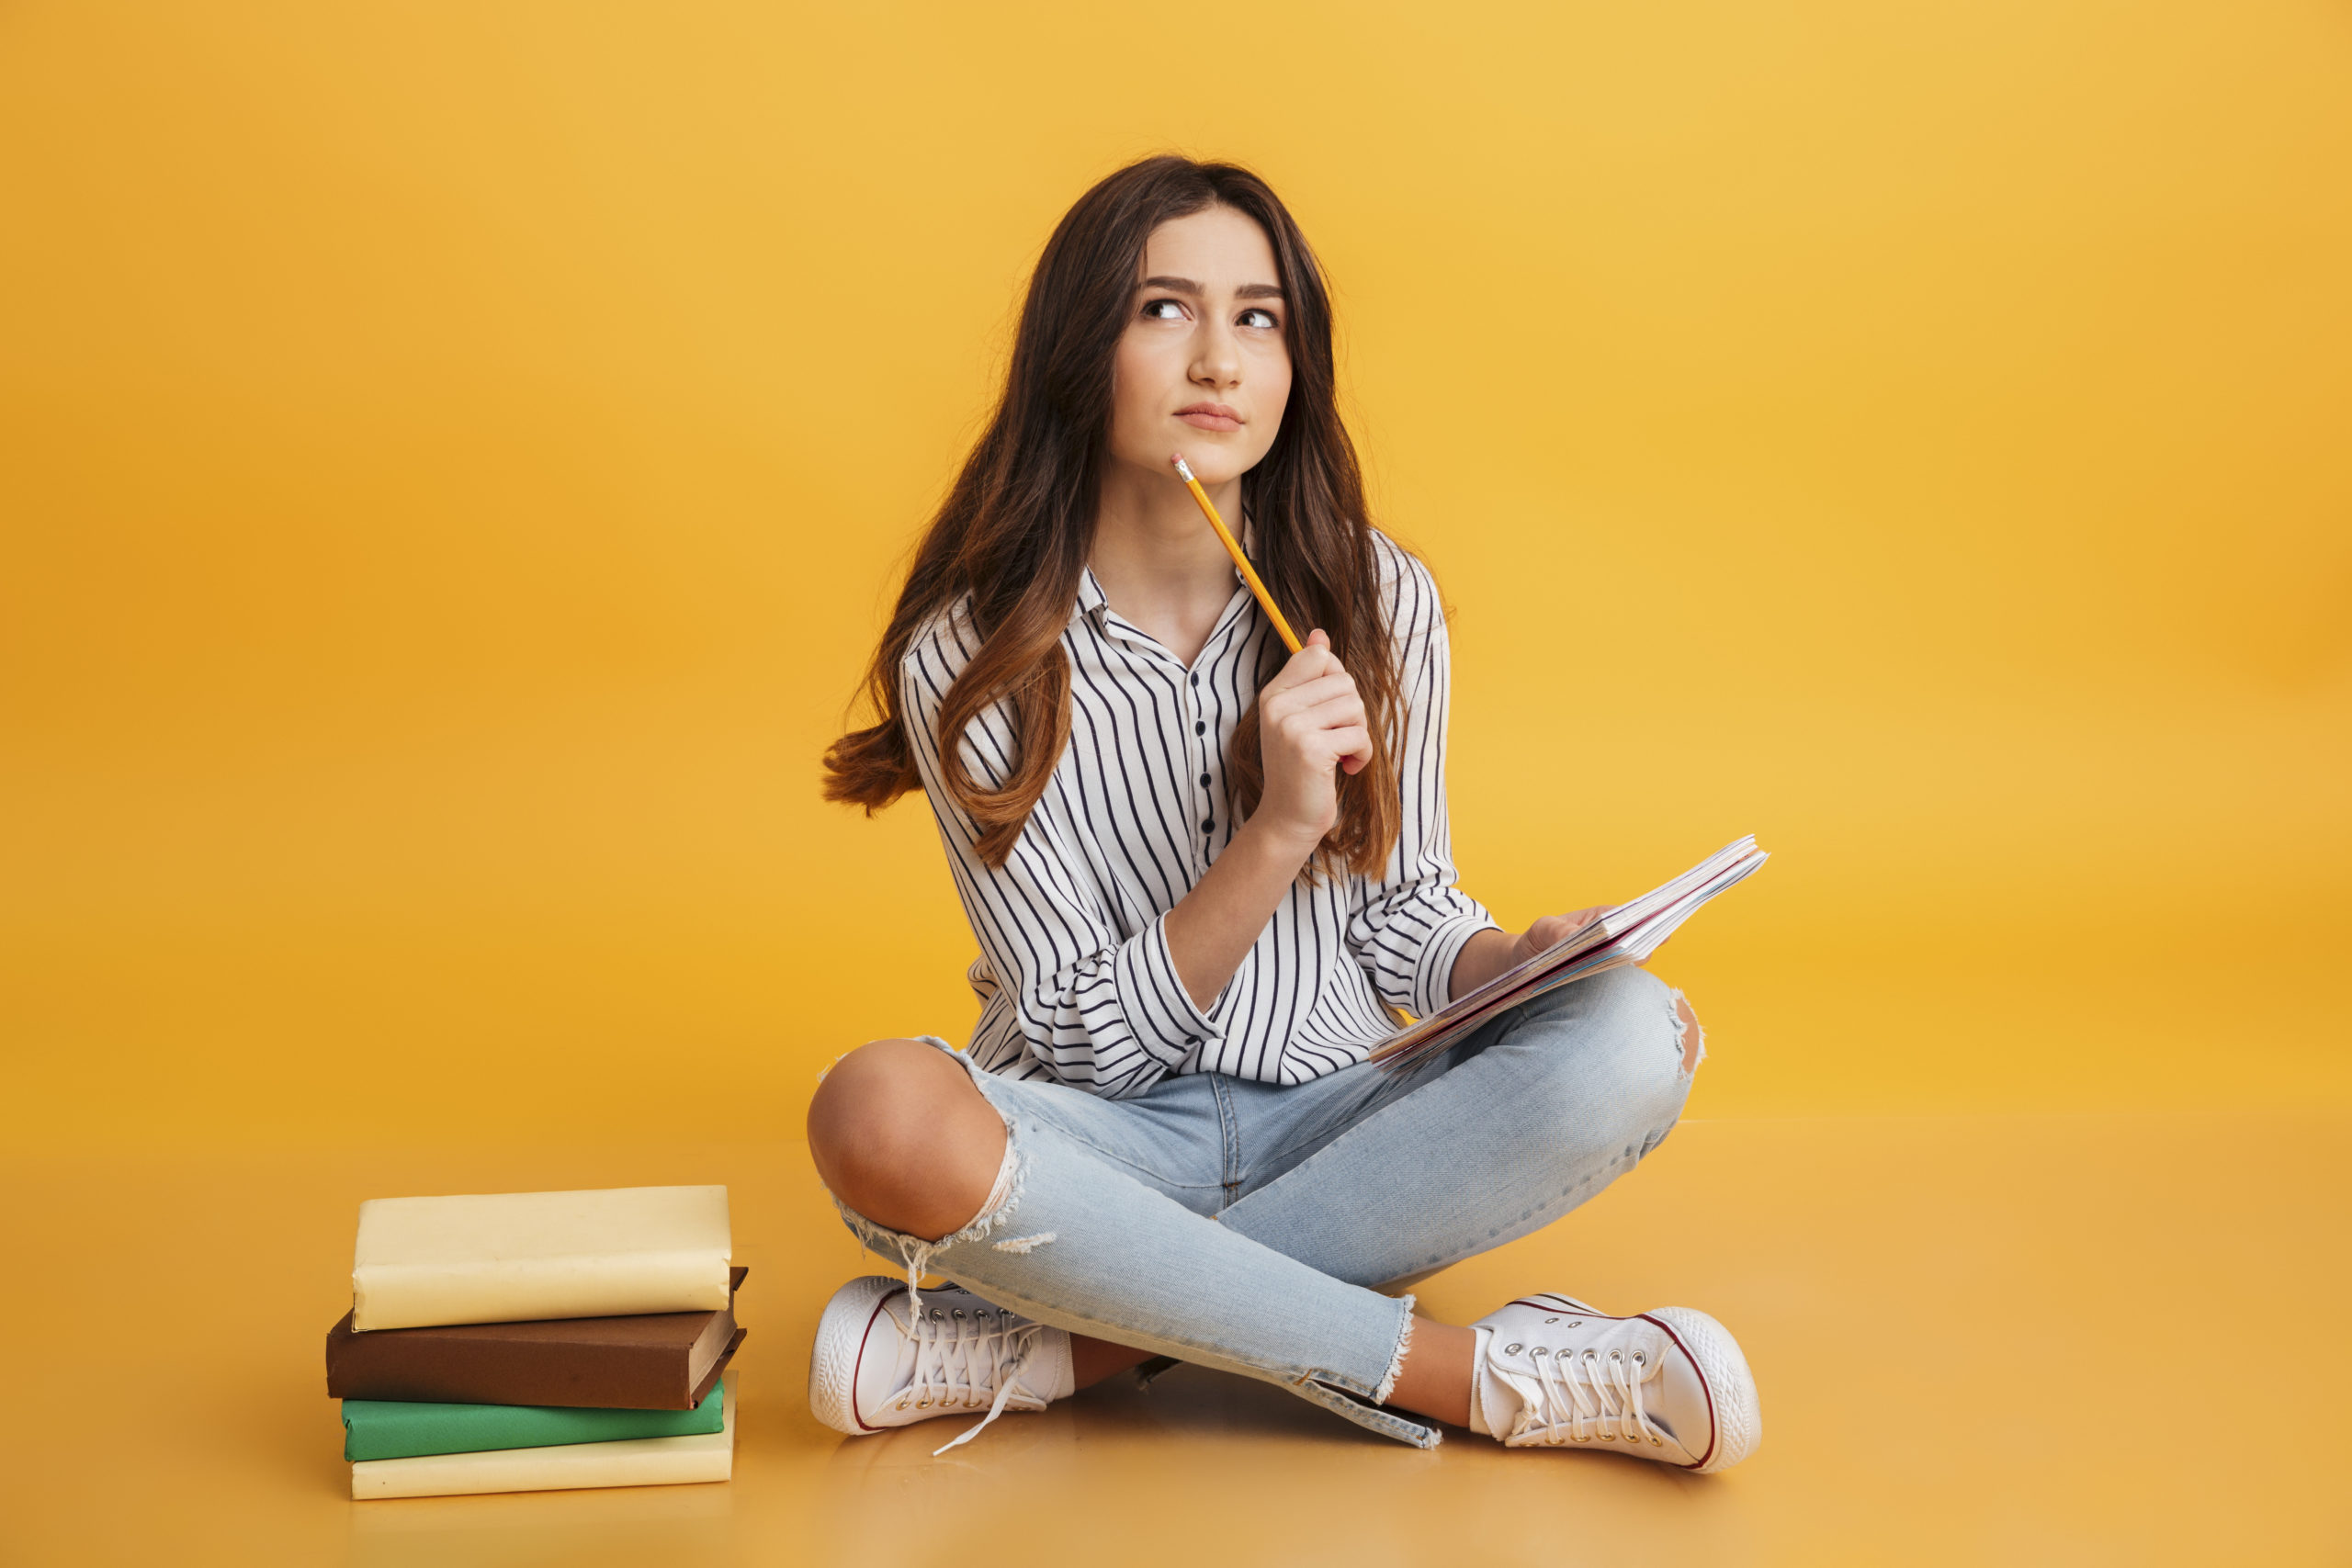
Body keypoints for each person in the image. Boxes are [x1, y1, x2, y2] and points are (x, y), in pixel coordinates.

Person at [803, 155, 1759, 1469]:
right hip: (1099, 1147)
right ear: (1083, 349)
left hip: (1343, 1116)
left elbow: (1406, 917)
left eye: (1258, 319)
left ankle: (1079, 1342)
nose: (1219, 360)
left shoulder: (1378, 600)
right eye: (1164, 310)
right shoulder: (971, 659)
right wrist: (1272, 836)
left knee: (1638, 1036)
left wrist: (1511, 967)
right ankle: (1469, 1377)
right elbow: (1085, 1043)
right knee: (876, 1113)